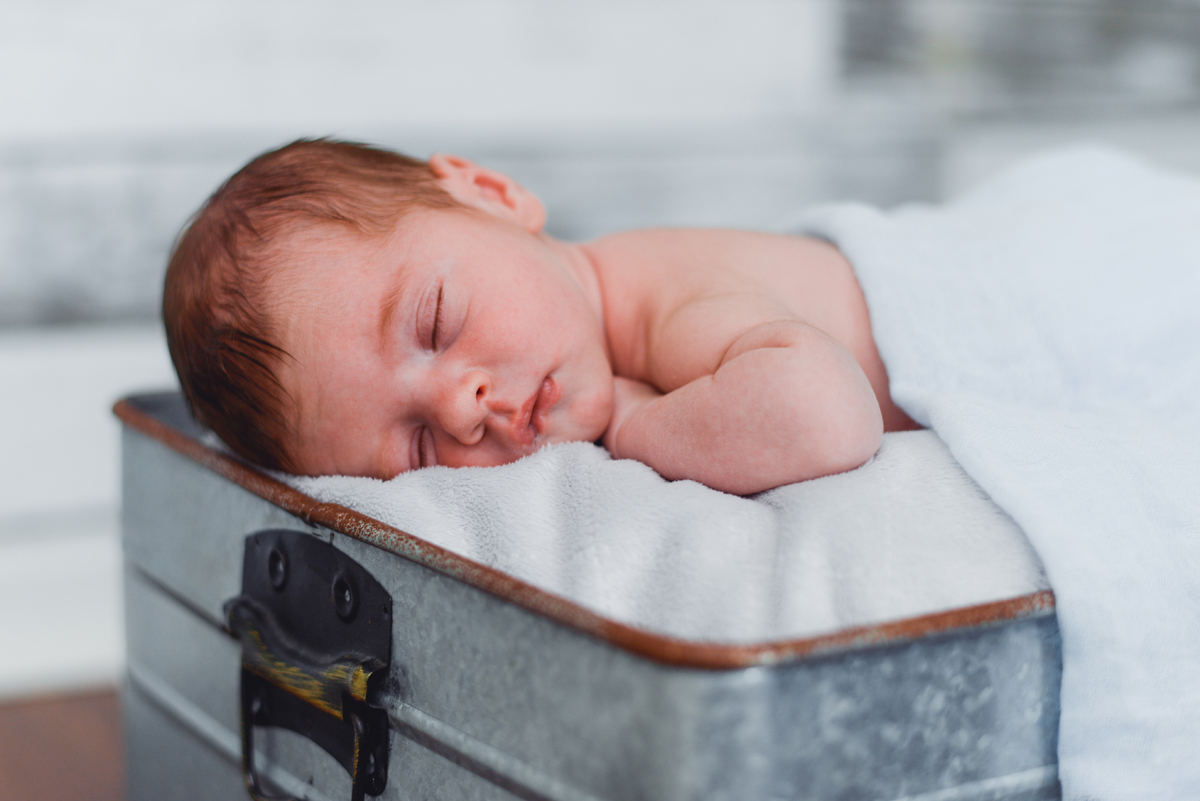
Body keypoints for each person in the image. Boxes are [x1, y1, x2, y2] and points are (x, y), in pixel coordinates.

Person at [164, 138, 919, 496]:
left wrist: (632, 427)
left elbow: (825, 416)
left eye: (434, 323)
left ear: (493, 193)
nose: (463, 408)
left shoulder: (665, 303)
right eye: (422, 447)